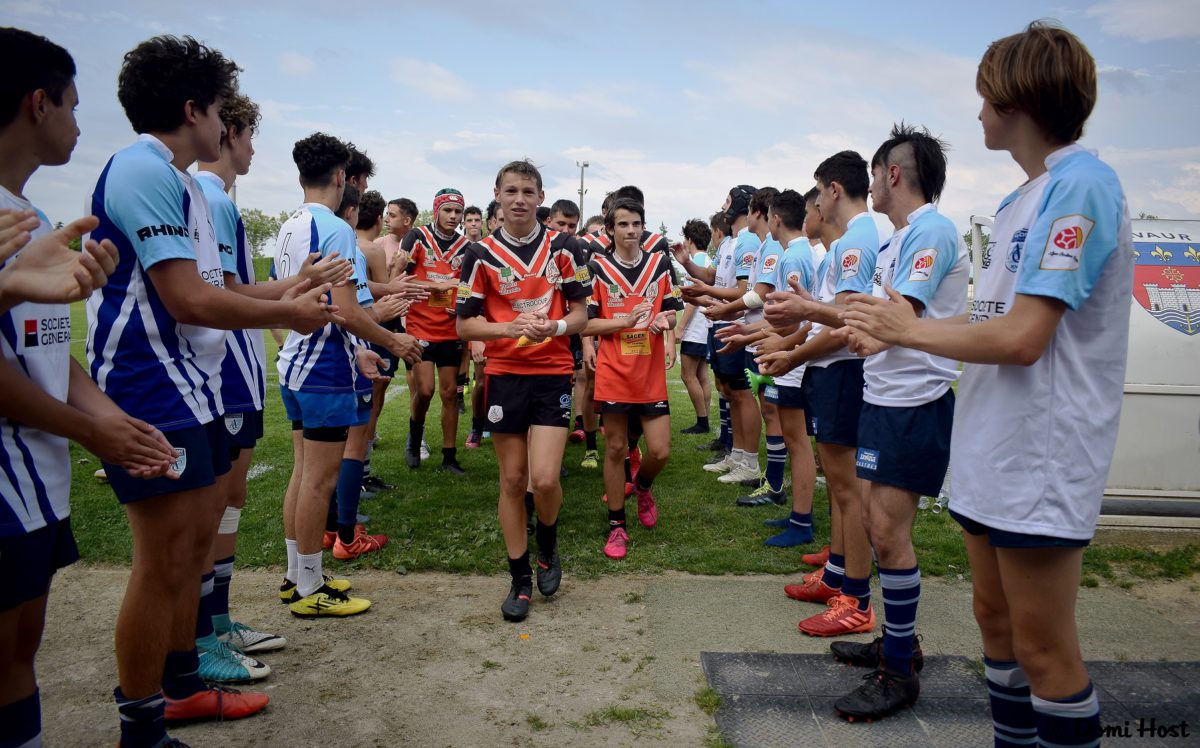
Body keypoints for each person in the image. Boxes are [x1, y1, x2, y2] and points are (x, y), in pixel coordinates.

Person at [840, 23, 1129, 744]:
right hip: (992, 447)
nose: (976, 113)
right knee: (993, 627)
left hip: (1042, 453)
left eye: (985, 97)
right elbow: (986, 315)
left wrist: (900, 329)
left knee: (1044, 651)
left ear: (1017, 97)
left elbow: (1023, 338)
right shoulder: (1021, 199)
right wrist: (889, 323)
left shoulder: (1081, 186)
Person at [87, 35, 339, 743]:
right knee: (163, 561)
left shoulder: (176, 179)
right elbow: (189, 300)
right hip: (148, 386)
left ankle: (181, 683)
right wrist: (289, 311)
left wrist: (289, 293)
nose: (230, 129)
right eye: (224, 112)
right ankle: (144, 721)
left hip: (186, 385)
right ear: (195, 110)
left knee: (190, 545)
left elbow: (211, 291)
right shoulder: (144, 171)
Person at [0, 28, 179, 748]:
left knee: (20, 649)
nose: (79, 123)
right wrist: (90, 430)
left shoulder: (35, 220)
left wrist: (113, 419)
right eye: (73, 105)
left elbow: (45, 352)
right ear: (37, 103)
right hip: (9, 477)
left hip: (36, 477)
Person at [813, 124, 967, 720]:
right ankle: (900, 643)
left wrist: (810, 313)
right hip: (886, 401)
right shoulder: (902, 237)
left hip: (914, 404)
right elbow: (871, 324)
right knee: (880, 531)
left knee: (888, 533)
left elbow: (897, 318)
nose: (870, 185)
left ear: (892, 174)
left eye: (875, 174)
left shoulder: (931, 229)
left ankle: (899, 670)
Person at [196, 91, 347, 680]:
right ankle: (203, 634)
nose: (255, 147)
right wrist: (299, 303)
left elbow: (235, 288)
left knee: (232, 498)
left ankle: (218, 620)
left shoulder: (232, 206)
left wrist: (294, 289)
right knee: (214, 505)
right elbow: (211, 296)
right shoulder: (208, 198)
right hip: (229, 371)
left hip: (250, 367)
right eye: (250, 134)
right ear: (227, 131)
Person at [274, 132, 421, 619]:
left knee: (302, 474)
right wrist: (391, 340)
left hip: (296, 362)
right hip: (323, 367)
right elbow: (346, 311)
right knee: (319, 480)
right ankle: (311, 587)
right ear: (341, 177)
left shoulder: (291, 222)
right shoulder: (334, 228)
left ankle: (299, 574)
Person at [456, 159, 591, 623]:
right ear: (496, 194)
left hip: (553, 371)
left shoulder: (566, 248)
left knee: (547, 479)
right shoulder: (479, 254)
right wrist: (508, 327)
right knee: (513, 480)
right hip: (506, 374)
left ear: (540, 196)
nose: (519, 199)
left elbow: (581, 315)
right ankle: (519, 578)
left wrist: (553, 326)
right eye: (510, 190)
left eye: (528, 191)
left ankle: (548, 544)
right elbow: (462, 323)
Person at [758, 151, 879, 641]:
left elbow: (845, 318)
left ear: (832, 190)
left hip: (846, 371)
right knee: (841, 485)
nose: (816, 205)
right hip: (833, 370)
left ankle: (854, 595)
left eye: (818, 192)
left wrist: (794, 353)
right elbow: (825, 313)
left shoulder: (859, 239)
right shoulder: (847, 244)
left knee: (849, 490)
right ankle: (837, 577)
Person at [584, 198, 681, 559]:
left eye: (636, 224)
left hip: (648, 369)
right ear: (610, 229)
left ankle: (642, 486)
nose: (630, 230)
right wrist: (623, 323)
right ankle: (617, 526)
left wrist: (663, 322)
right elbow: (587, 323)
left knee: (660, 450)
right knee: (614, 447)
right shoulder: (597, 267)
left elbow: (671, 312)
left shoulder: (658, 263)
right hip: (614, 369)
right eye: (623, 224)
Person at [676, 186, 760, 485]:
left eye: (728, 199)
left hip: (736, 323)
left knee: (740, 392)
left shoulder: (748, 240)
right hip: (720, 324)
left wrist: (706, 293)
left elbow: (742, 291)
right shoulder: (729, 243)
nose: (724, 205)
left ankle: (749, 461)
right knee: (728, 389)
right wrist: (687, 263)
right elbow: (711, 277)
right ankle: (736, 453)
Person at [709, 187, 786, 504]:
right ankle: (743, 458)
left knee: (764, 405)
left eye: (729, 202)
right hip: (752, 330)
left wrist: (723, 308)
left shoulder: (765, 246)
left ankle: (758, 469)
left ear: (756, 211)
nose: (724, 207)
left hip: (763, 333)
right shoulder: (761, 243)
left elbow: (757, 294)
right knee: (747, 398)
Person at [401, 187, 471, 473]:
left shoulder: (466, 246)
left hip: (450, 328)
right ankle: (414, 438)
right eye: (448, 210)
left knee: (449, 393)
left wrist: (462, 302)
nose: (453, 216)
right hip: (420, 326)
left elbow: (469, 285)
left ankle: (449, 456)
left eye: (458, 212)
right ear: (436, 211)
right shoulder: (417, 237)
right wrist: (436, 286)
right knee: (426, 390)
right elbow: (401, 280)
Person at [674, 220, 714, 434]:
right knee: (701, 376)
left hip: (696, 326)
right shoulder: (707, 260)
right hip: (705, 325)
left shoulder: (695, 261)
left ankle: (702, 421)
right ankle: (704, 417)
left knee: (687, 375)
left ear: (689, 240)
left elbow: (691, 299)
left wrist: (680, 328)